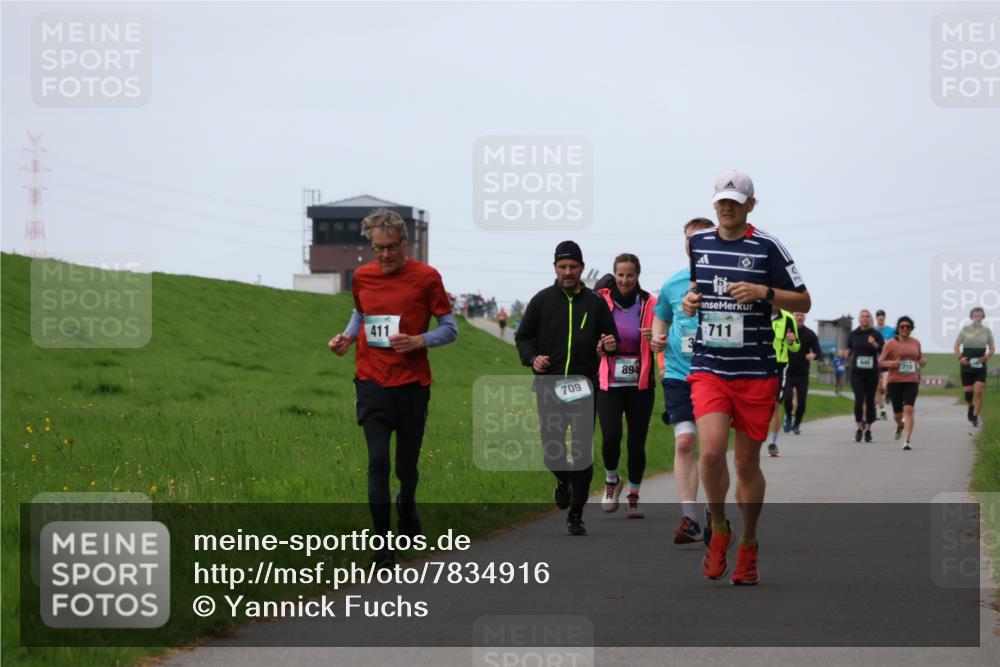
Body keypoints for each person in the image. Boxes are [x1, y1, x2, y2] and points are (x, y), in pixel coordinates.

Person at [682, 170, 811, 585]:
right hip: (710, 368)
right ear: (714, 203)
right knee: (711, 453)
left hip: (756, 371)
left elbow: (804, 298)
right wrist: (689, 300)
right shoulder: (698, 243)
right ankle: (719, 528)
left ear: (750, 205)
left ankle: (750, 543)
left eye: (735, 201)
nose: (727, 206)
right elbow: (696, 289)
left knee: (746, 463)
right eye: (721, 200)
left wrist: (764, 293)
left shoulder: (767, 247)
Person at [328, 208, 457, 568]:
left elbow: (450, 328)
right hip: (371, 380)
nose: (385, 255)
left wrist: (419, 340)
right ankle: (383, 544)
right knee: (377, 461)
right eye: (378, 248)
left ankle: (408, 507)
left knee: (407, 467)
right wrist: (347, 338)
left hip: (413, 385)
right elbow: (361, 314)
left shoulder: (427, 277)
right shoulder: (363, 277)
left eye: (392, 247)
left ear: (405, 243)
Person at [515, 241, 619, 535]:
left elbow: (611, 339)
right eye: (563, 267)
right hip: (549, 385)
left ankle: (576, 514)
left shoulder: (595, 303)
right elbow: (522, 338)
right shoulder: (541, 301)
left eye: (573, 266)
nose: (568, 272)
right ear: (555, 269)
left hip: (584, 387)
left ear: (582, 268)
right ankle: (563, 480)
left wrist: (609, 345)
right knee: (553, 451)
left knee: (581, 451)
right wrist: (532, 358)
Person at [651, 217, 716, 544]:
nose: (694, 243)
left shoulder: (724, 280)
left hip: (714, 374)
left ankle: (712, 513)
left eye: (701, 237)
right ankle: (689, 517)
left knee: (711, 451)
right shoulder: (673, 284)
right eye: (689, 239)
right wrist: (658, 342)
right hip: (678, 374)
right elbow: (661, 316)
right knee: (685, 442)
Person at [595, 254, 657, 519]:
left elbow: (665, 337)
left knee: (636, 441)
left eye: (630, 274)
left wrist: (656, 337)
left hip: (640, 383)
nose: (624, 279)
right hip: (609, 381)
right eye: (620, 274)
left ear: (638, 275)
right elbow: (590, 338)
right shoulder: (601, 302)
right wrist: (599, 347)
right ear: (614, 274)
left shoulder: (650, 303)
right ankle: (611, 480)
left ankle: (633, 494)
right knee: (610, 436)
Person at [879, 316, 927, 450]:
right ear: (898, 328)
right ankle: (900, 424)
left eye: (908, 326)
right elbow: (880, 361)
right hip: (895, 381)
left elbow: (920, 358)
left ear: (911, 329)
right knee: (897, 414)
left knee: (909, 409)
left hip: (911, 380)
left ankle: (906, 441)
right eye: (902, 326)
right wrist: (892, 363)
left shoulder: (916, 343)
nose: (905, 328)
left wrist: (923, 361)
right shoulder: (890, 344)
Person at [844, 309, 884, 443]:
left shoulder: (876, 334)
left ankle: (868, 429)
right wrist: (846, 353)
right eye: (863, 317)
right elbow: (849, 349)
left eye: (867, 317)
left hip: (872, 372)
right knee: (859, 398)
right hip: (857, 372)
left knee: (870, 400)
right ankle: (859, 427)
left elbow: (883, 351)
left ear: (871, 319)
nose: (865, 319)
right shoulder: (854, 334)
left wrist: (874, 344)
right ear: (859, 319)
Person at [765, 307, 800, 457]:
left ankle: (772, 443)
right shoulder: (758, 311)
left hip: (779, 365)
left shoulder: (788, 318)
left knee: (774, 405)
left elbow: (796, 346)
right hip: (758, 362)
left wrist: (792, 341)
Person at [954, 307, 995, 428]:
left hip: (980, 364)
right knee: (968, 394)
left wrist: (986, 357)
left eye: (979, 315)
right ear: (971, 317)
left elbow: (992, 348)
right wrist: (960, 358)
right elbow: (956, 346)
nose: (977, 317)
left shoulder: (987, 331)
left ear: (983, 317)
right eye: (975, 315)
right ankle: (971, 406)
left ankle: (975, 416)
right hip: (966, 364)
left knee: (979, 390)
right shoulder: (965, 329)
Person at [783, 312, 822, 434]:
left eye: (802, 315)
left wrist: (814, 355)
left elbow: (818, 351)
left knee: (802, 401)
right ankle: (788, 417)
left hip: (802, 374)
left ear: (805, 317)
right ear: (793, 316)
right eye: (797, 315)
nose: (799, 317)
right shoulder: (787, 331)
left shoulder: (810, 334)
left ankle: (797, 423)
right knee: (788, 398)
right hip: (788, 372)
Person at [875, 309, 896, 421]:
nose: (880, 320)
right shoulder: (873, 330)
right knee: (877, 388)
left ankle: (888, 393)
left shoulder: (891, 331)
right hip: (875, 361)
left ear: (884, 318)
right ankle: (882, 411)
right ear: (876, 319)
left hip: (887, 362)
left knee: (884, 386)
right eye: (879, 318)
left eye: (882, 318)